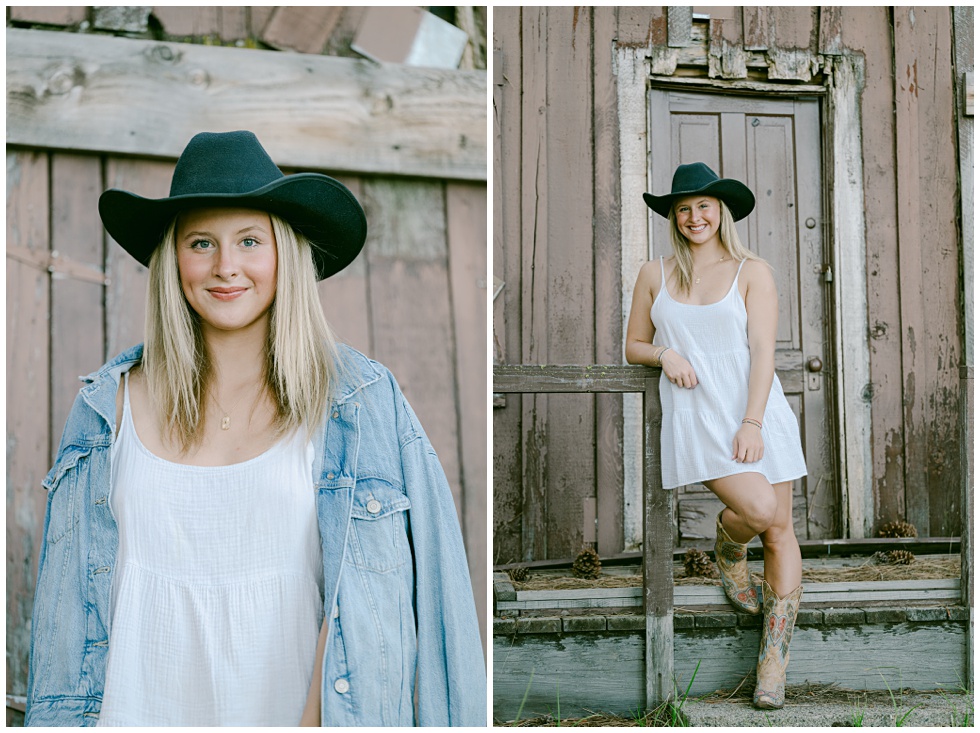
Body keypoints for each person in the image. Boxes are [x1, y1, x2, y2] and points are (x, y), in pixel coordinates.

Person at [25, 131, 486, 727]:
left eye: (249, 240)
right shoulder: (104, 412)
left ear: (283, 255)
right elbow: (62, 626)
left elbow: (436, 608)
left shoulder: (360, 403)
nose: (226, 266)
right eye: (201, 243)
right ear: (173, 261)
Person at [625, 162, 808, 710]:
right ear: (673, 218)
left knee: (780, 531)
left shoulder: (753, 271)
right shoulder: (654, 273)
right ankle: (729, 546)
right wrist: (664, 353)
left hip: (757, 410)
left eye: (703, 205)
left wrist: (753, 422)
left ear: (721, 211)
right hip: (698, 414)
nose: (693, 217)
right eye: (683, 208)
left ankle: (772, 668)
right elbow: (632, 345)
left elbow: (763, 354)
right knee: (758, 510)